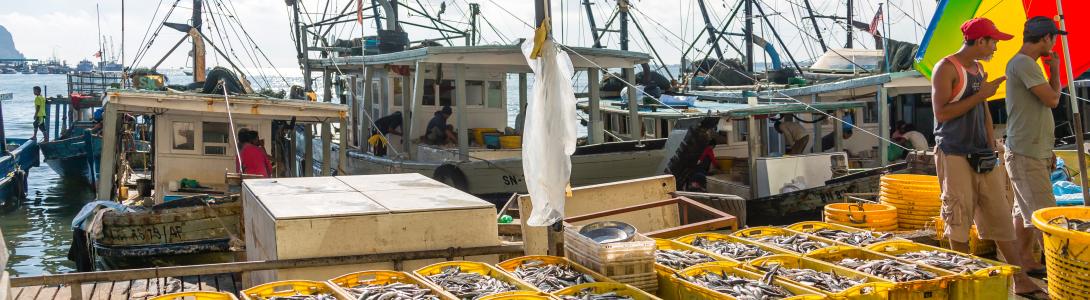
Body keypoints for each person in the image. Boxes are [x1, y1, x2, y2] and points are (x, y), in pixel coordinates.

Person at [930, 17, 1042, 297]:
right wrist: (982, 96)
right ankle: (963, 281)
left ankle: (1020, 280)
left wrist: (992, 143)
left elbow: (984, 113)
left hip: (983, 154)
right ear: (980, 41)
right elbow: (941, 114)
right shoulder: (946, 68)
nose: (995, 48)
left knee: (1001, 217)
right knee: (958, 220)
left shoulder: (979, 69)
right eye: (993, 42)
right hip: (954, 152)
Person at [1004, 16, 1065, 292]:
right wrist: (1055, 69)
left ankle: (1025, 261)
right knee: (1044, 213)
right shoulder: (1024, 63)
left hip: (1030, 149)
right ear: (1046, 39)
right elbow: (1052, 99)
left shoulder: (1023, 64)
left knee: (1022, 213)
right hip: (1026, 151)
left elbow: (1042, 107)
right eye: (1053, 38)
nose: (1054, 44)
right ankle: (1062, 269)